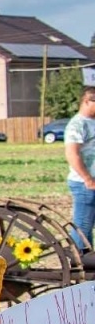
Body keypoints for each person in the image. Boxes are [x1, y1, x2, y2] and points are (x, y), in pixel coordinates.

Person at [65, 86, 95, 249]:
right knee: (82, 227)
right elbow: (72, 154)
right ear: (86, 101)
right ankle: (80, 267)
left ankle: (89, 269)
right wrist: (87, 179)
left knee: (88, 226)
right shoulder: (77, 124)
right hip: (84, 184)